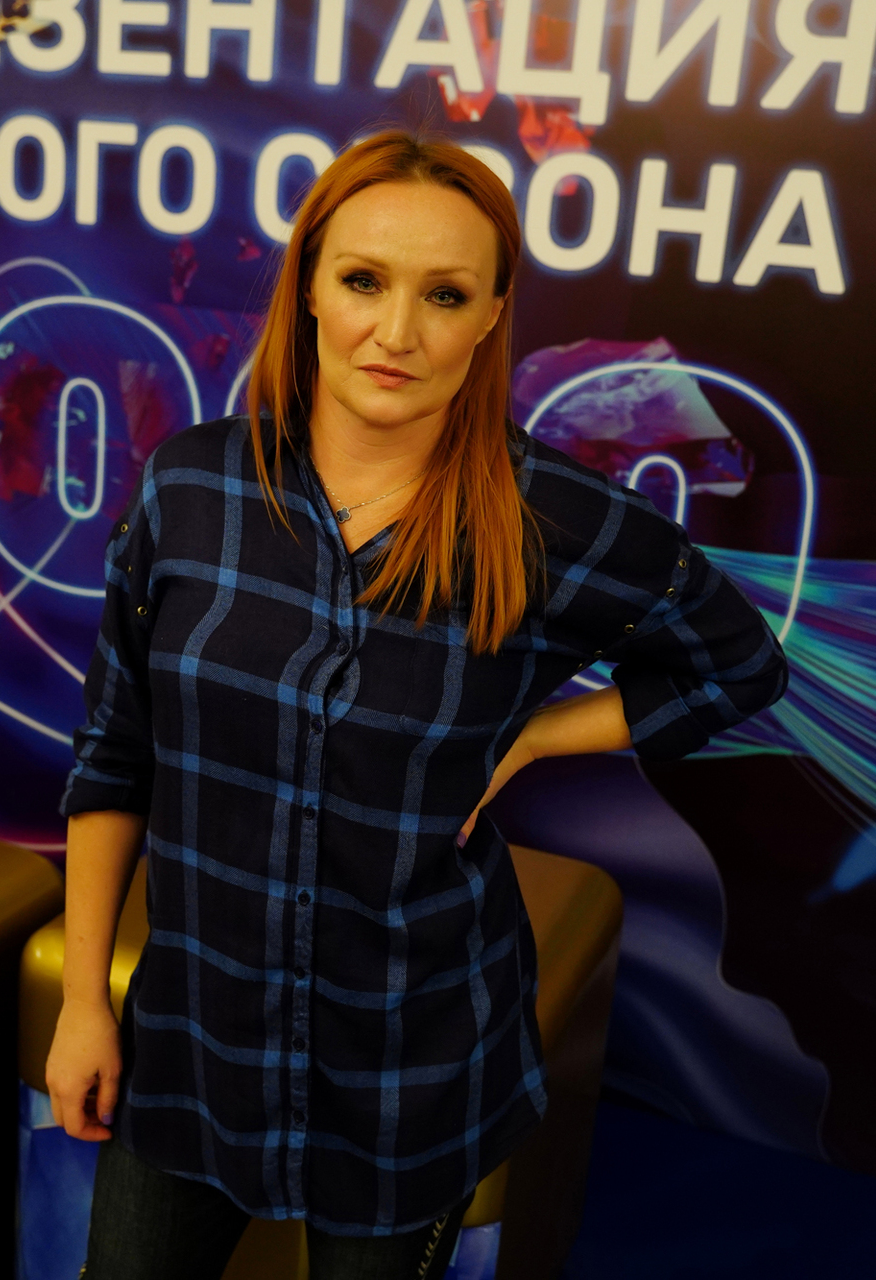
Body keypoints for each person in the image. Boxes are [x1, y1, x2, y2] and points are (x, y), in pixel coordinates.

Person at [48, 129, 789, 1280]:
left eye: (444, 295)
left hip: (413, 1071)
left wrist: (537, 735)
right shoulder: (190, 485)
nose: (396, 333)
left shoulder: (555, 521)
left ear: (491, 315)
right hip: (193, 1044)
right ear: (308, 289)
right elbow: (114, 750)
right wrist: (84, 1002)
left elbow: (738, 665)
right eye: (363, 281)